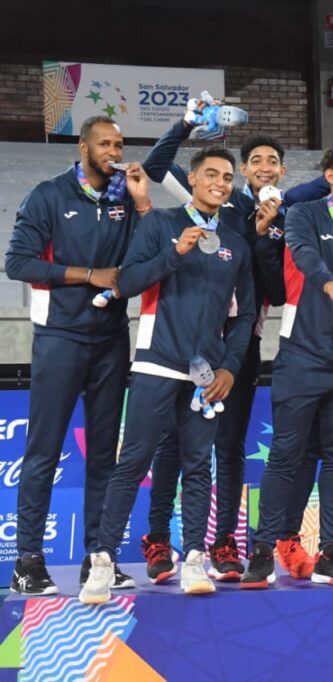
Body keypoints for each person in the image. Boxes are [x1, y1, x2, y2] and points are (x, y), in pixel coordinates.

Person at [79, 147, 256, 603]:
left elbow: (245, 317)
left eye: (227, 177)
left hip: (206, 377)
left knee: (199, 467)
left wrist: (231, 369)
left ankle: (194, 558)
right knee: (133, 462)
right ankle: (102, 561)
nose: (220, 182)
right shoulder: (160, 224)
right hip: (157, 361)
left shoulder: (236, 243)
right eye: (211, 174)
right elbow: (128, 282)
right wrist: (174, 254)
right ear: (192, 180)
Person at [140, 113, 289, 583]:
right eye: (256, 161)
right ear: (242, 170)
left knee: (228, 447)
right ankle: (159, 538)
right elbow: (154, 164)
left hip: (238, 345)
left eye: (273, 161)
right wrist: (184, 125)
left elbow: (275, 291)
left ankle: (225, 541)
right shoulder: (213, 200)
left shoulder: (282, 216)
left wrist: (266, 236)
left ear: (283, 172)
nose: (265, 167)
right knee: (171, 443)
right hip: (185, 339)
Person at [5, 116, 150, 595]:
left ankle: (98, 558)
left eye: (119, 143)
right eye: (105, 143)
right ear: (83, 147)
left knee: (104, 457)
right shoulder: (49, 195)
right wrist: (89, 274)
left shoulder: (124, 198)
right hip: (60, 340)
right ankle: (28, 561)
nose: (114, 150)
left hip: (111, 340)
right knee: (43, 452)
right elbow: (18, 263)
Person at [240, 140, 333, 589]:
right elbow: (304, 256)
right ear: (330, 176)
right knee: (286, 455)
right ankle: (263, 551)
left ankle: (330, 552)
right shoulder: (305, 215)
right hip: (302, 356)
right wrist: (330, 287)